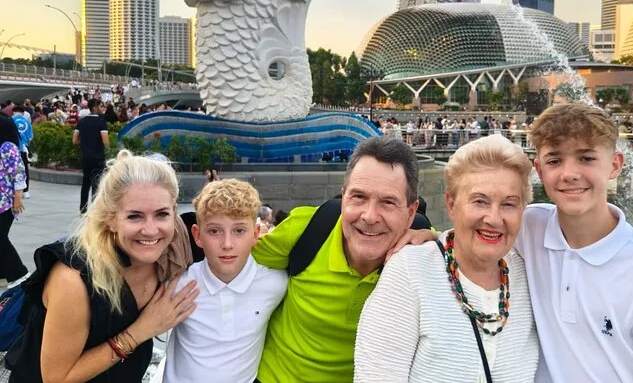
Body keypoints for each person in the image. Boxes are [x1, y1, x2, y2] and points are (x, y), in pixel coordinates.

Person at [354, 134, 538, 382]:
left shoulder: (531, 274)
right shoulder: (411, 272)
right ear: (451, 205)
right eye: (480, 201)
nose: (494, 219)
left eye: (509, 204)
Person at [252, 137, 435, 382]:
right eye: (358, 197)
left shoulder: (425, 251)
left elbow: (473, 254)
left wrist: (438, 241)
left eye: (388, 202)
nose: (369, 216)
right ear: (343, 197)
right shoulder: (306, 229)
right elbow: (230, 256)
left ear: (411, 213)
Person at [5, 150, 198, 382]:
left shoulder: (172, 250)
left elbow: (229, 235)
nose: (150, 230)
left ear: (174, 212)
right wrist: (141, 330)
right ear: (110, 219)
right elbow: (56, 378)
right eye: (134, 216)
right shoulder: (74, 278)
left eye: (162, 214)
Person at [517, 103, 633, 382]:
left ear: (615, 165)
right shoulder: (527, 227)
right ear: (539, 170)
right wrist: (431, 238)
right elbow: (466, 240)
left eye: (586, 158)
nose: (569, 173)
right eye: (554, 161)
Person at [163, 179, 288, 382]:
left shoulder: (276, 284)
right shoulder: (177, 285)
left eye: (239, 231)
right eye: (214, 231)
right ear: (197, 235)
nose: (227, 244)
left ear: (255, 234)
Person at [0, 115, 29, 287]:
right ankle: (3, 273)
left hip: (6, 202)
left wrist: (18, 199)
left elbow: (18, 173)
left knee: (0, 237)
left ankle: (19, 273)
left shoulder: (8, 147)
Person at [74, 98, 109, 214]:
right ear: (95, 107)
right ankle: (94, 210)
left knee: (86, 183)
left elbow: (74, 140)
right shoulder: (101, 122)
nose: (103, 108)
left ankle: (83, 208)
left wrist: (85, 142)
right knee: (96, 184)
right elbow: (105, 141)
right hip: (98, 156)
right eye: (101, 106)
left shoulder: (82, 121)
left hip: (85, 156)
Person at [11, 105, 33, 199]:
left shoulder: (10, 120)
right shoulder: (27, 122)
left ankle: (12, 190)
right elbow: (30, 137)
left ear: (13, 112)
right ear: (23, 113)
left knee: (12, 169)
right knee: (24, 169)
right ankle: (26, 191)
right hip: (24, 149)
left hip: (12, 149)